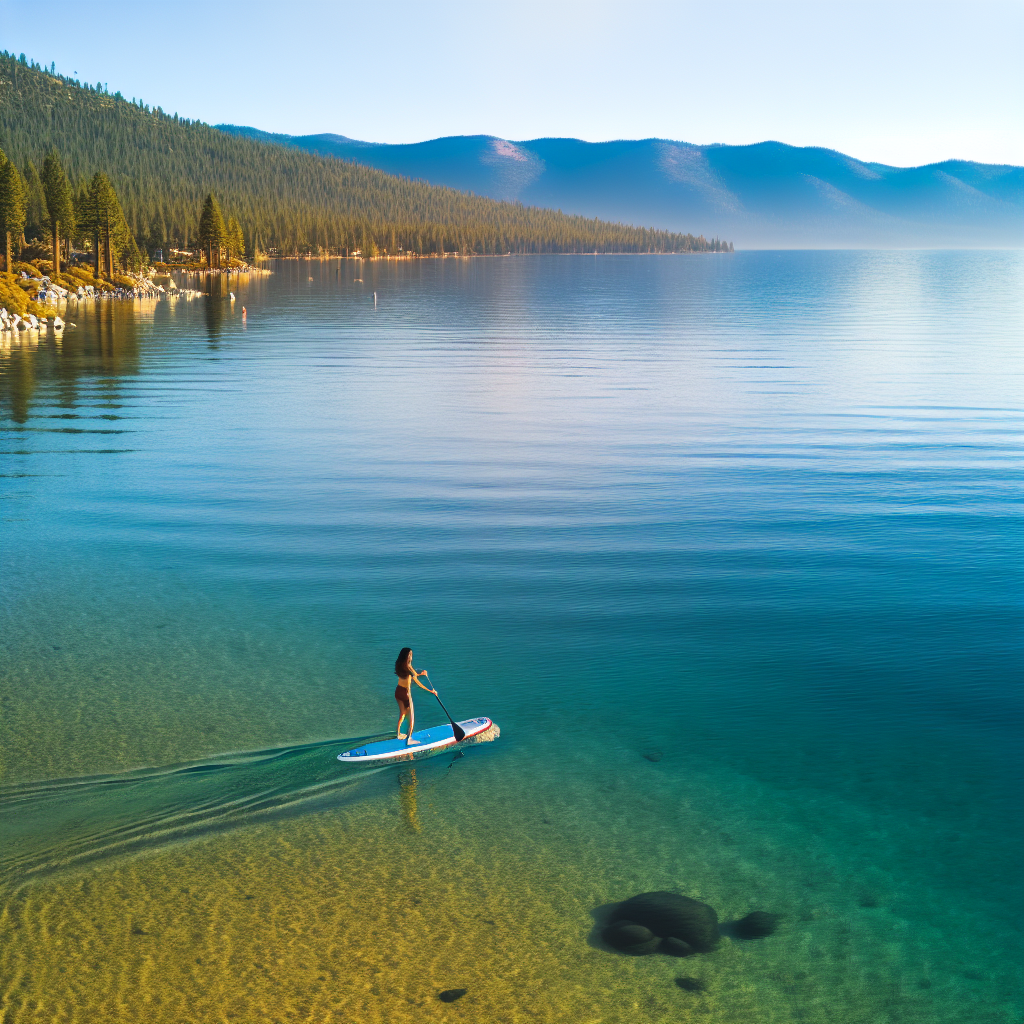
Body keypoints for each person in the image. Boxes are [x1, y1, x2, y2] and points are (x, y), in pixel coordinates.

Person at [394, 647, 436, 746]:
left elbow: (414, 675)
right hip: (406, 694)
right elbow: (418, 683)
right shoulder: (408, 668)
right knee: (411, 717)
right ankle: (409, 739)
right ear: (407, 656)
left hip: (398, 691)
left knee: (402, 714)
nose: (411, 657)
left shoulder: (399, 665)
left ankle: (398, 734)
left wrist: (421, 674)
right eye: (410, 655)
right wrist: (431, 691)